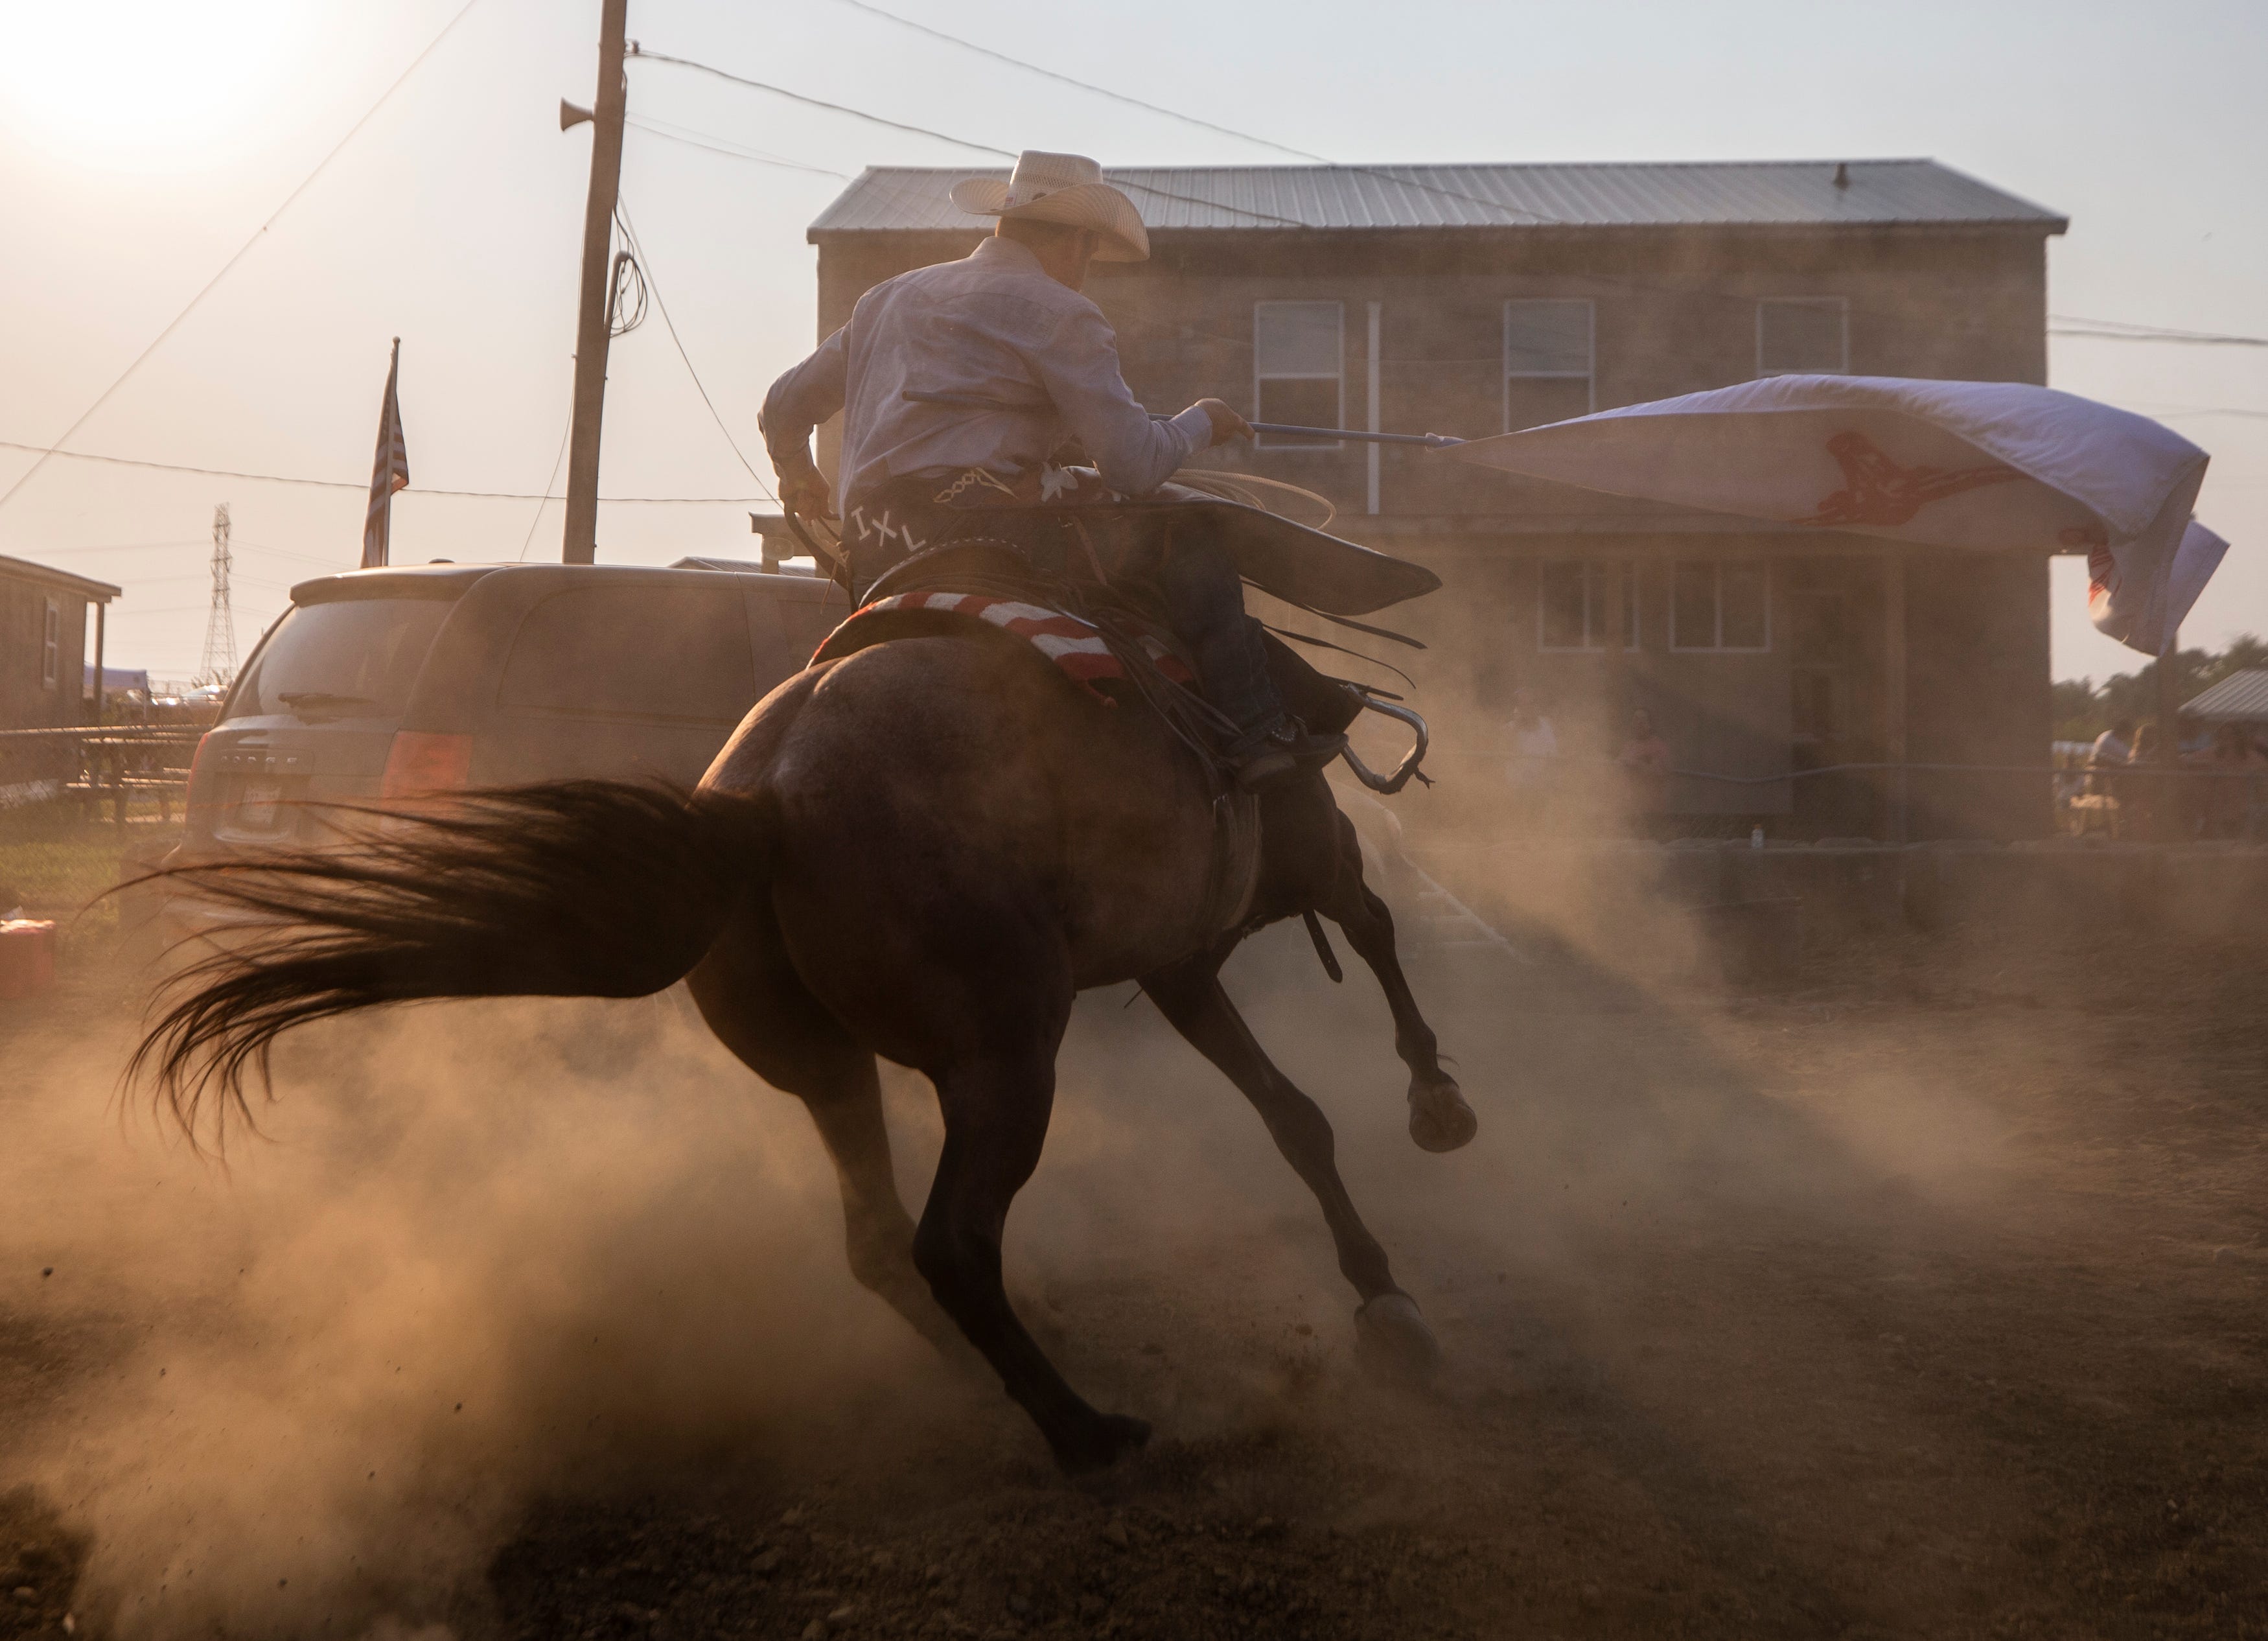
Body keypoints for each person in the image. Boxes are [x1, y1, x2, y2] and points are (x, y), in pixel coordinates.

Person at [759, 149, 1341, 790]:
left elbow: (781, 406)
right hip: (988, 542)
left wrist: (798, 475)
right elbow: (1133, 467)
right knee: (1190, 539)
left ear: (1005, 224)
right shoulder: (1062, 313)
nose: (1085, 271)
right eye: (1088, 255)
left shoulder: (886, 300)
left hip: (874, 552)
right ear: (1076, 242)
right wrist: (1199, 421)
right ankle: (1256, 728)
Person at [1501, 689, 1559, 831]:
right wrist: (1516, 726)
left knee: (1540, 821)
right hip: (1519, 783)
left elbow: (1555, 752)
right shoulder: (1510, 728)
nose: (1528, 708)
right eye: (1523, 705)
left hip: (1544, 781)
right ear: (1517, 708)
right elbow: (1506, 751)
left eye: (1531, 704)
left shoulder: (1547, 726)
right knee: (1521, 821)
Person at [1615, 706, 1672, 835]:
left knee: (1652, 845)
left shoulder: (1658, 746)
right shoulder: (1629, 746)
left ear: (1650, 725)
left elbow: (1661, 773)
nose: (1638, 724)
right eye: (1635, 720)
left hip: (1652, 810)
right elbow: (1618, 767)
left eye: (1642, 721)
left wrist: (1638, 765)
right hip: (1631, 809)